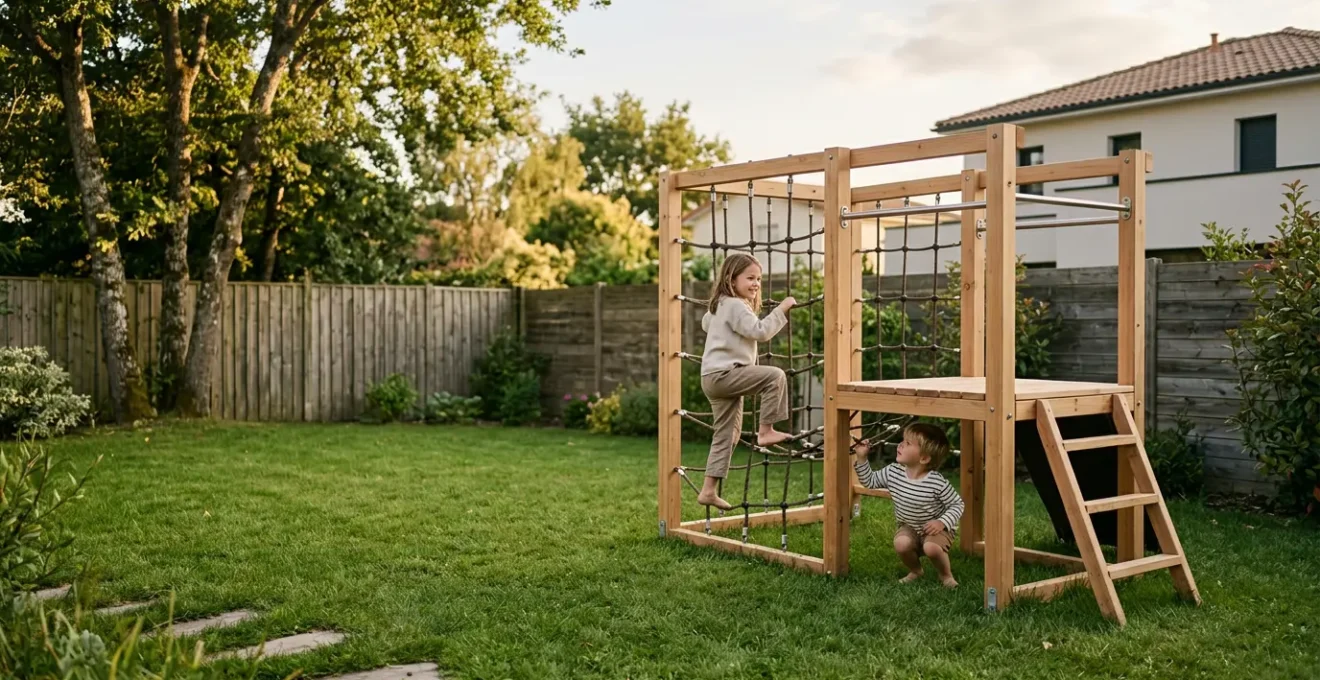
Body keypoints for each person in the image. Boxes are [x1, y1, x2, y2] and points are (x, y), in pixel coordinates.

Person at [696, 253, 796, 510]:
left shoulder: (719, 305)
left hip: (711, 377)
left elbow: (706, 323)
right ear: (731, 278)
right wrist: (781, 309)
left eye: (759, 279)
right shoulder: (736, 305)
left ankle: (708, 490)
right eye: (750, 278)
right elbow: (760, 332)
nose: (756, 284)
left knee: (727, 435)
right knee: (775, 376)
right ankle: (765, 431)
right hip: (725, 375)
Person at [853, 423, 964, 587]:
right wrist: (862, 457)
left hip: (936, 529)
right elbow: (870, 481)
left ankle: (945, 575)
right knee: (901, 544)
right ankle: (916, 571)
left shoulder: (936, 482)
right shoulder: (893, 472)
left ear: (924, 458)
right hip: (910, 526)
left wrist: (941, 522)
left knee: (932, 548)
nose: (901, 444)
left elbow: (957, 504)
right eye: (903, 440)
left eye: (908, 443)